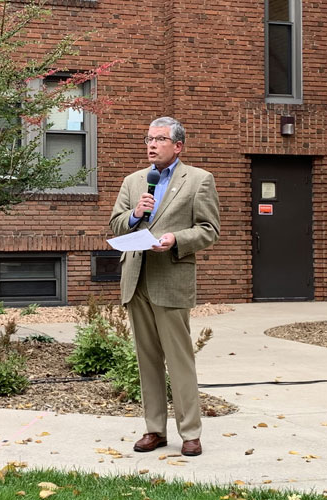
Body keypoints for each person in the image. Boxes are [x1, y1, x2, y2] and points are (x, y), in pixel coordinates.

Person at [109, 116, 220, 457]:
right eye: (148, 139)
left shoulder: (199, 180)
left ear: (178, 146)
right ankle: (154, 429)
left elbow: (209, 229)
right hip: (136, 278)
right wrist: (134, 216)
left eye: (159, 139)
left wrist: (176, 239)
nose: (151, 145)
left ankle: (190, 432)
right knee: (147, 360)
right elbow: (115, 225)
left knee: (179, 359)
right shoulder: (134, 182)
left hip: (170, 279)